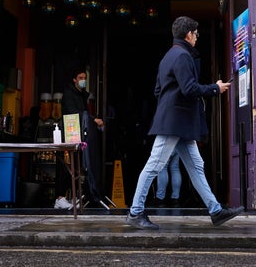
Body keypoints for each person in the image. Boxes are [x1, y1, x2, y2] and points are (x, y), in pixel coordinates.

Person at [126, 16, 244, 229]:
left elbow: (158, 91)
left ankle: (216, 210)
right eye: (196, 33)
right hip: (174, 123)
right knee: (154, 165)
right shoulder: (183, 56)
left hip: (177, 122)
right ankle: (135, 212)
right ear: (188, 34)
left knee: (196, 166)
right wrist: (215, 88)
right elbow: (189, 89)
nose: (197, 37)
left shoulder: (168, 56)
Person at [54, 69, 105, 209]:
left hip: (77, 136)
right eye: (80, 77)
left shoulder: (82, 95)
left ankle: (72, 197)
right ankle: (59, 198)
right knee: (66, 166)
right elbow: (76, 113)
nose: (83, 80)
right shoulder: (69, 95)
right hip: (68, 135)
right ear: (74, 79)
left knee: (75, 167)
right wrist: (93, 119)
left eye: (85, 77)